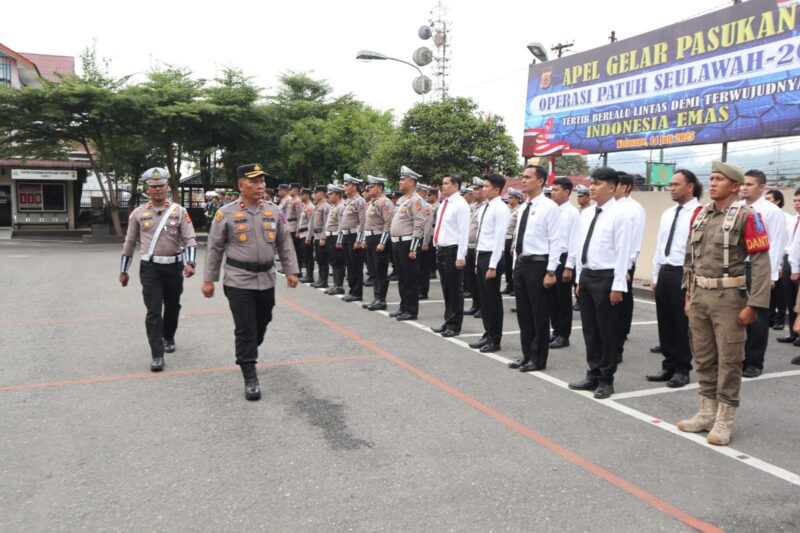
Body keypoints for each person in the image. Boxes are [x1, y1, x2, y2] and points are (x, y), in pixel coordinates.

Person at [678, 161, 771, 445]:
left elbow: (761, 262)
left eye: (720, 179)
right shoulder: (701, 214)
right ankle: (706, 412)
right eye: (712, 178)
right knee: (703, 356)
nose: (713, 183)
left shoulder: (748, 216)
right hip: (700, 295)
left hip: (729, 298)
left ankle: (724, 419)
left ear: (735, 186)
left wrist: (755, 305)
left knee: (730, 360)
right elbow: (690, 258)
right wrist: (688, 294)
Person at [202, 163, 299, 401]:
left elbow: (284, 243)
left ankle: (248, 350)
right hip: (238, 279)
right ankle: (250, 374)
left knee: (263, 322)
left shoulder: (273, 211)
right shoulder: (226, 213)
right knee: (245, 327)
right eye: (254, 181)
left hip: (266, 278)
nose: (260, 186)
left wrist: (291, 270)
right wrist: (209, 279)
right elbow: (214, 248)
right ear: (240, 185)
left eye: (262, 181)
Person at [120, 167, 197, 372]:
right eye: (153, 186)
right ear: (147, 188)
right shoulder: (138, 213)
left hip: (174, 266)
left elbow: (190, 238)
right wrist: (124, 271)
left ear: (167, 187)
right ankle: (157, 355)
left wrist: (190, 263)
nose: (157, 189)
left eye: (161, 185)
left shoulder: (179, 211)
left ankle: (169, 336)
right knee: (153, 311)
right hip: (150, 268)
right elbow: (129, 242)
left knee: (173, 306)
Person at [569, 167, 632, 399]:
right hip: (587, 276)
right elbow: (579, 247)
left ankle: (606, 379)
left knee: (607, 331)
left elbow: (623, 252)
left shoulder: (620, 214)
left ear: (612, 187)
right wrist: (579, 279)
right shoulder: (586, 214)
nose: (592, 187)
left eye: (598, 183)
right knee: (590, 330)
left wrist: (618, 285)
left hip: (607, 278)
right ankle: (593, 373)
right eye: (592, 183)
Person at [648, 169, 702, 388]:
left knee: (682, 324)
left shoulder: (700, 213)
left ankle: (682, 369)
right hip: (666, 271)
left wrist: (693, 281)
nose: (671, 188)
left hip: (684, 272)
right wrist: (655, 274)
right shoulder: (668, 213)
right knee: (666, 321)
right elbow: (661, 245)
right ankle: (668, 365)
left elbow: (699, 251)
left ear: (690, 186)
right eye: (670, 185)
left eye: (676, 185)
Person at [507, 165, 561, 370]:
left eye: (528, 177)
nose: (523, 180)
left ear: (540, 181)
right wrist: (515, 266)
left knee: (539, 314)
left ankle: (538, 359)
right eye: (522, 176)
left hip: (539, 265)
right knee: (524, 313)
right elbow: (518, 240)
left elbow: (555, 240)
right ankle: (527, 354)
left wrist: (551, 271)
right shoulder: (523, 207)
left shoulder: (549, 207)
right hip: (522, 264)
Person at [739, 169, 787, 378]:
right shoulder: (737, 207)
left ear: (762, 187)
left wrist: (771, 276)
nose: (744, 188)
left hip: (758, 268)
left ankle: (754, 362)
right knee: (736, 314)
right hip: (737, 267)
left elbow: (776, 244)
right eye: (743, 184)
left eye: (749, 184)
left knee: (757, 317)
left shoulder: (771, 211)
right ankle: (739, 358)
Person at [468, 174, 511, 353]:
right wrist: (477, 260)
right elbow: (481, 236)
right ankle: (487, 334)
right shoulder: (485, 207)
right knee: (484, 299)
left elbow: (499, 239)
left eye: (486, 186)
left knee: (492, 300)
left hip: (492, 256)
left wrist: (493, 265)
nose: (483, 189)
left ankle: (495, 339)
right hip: (482, 255)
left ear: (497, 189)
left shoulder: (501, 208)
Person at [430, 174, 470, 337]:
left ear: (456, 186)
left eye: (446, 183)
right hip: (442, 249)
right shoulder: (445, 203)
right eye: (443, 183)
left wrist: (461, 256)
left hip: (453, 250)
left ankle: (454, 325)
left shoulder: (460, 204)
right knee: (446, 288)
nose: (443, 186)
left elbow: (463, 232)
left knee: (454, 289)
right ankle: (448, 321)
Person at [614, 172, 646, 362]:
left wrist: (626, 267)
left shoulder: (634, 208)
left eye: (615, 185)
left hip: (625, 262)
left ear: (626, 187)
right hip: (610, 263)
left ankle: (621, 333)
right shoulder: (611, 207)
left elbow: (634, 239)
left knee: (622, 299)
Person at [389, 166, 427, 321]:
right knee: (402, 278)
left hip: (407, 243)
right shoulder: (401, 200)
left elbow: (419, 224)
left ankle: (411, 310)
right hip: (397, 243)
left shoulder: (416, 201)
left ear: (411, 181)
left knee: (410, 278)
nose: (400, 182)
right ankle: (403, 307)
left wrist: (413, 248)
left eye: (403, 179)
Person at [548, 177, 580, 349]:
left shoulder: (572, 213)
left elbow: (574, 241)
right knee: (552, 299)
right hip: (551, 258)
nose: (552, 193)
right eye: (552, 189)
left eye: (556, 190)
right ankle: (555, 330)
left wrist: (569, 266)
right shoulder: (551, 210)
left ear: (567, 192)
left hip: (564, 258)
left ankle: (563, 334)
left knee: (563, 300)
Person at [362, 176, 394, 311]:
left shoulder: (385, 202)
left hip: (379, 238)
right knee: (373, 271)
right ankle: (376, 298)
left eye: (372, 186)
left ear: (380, 187)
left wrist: (382, 242)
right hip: (370, 238)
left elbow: (388, 224)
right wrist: (364, 238)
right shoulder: (372, 202)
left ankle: (381, 300)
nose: (369, 189)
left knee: (381, 270)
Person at [337, 174, 367, 302]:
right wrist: (340, 238)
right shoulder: (347, 202)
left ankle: (357, 293)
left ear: (354, 186)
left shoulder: (359, 201)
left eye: (347, 185)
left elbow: (363, 221)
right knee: (349, 265)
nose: (344, 187)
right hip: (346, 235)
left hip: (354, 236)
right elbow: (342, 222)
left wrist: (359, 240)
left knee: (355, 266)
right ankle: (352, 290)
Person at [765, 189, 790, 331]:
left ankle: (780, 320)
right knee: (770, 294)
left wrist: (780, 263)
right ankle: (770, 318)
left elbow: (783, 242)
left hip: (781, 259)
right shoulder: (765, 215)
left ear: (777, 201)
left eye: (769, 199)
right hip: (767, 258)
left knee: (780, 293)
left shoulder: (786, 217)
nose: (766, 201)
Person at [779, 188, 800, 347]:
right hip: (788, 260)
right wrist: (782, 263)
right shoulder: (793, 220)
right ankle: (793, 333)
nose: (797, 204)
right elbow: (786, 243)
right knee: (790, 299)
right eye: (795, 201)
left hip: (798, 263)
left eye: (799, 201)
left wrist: (796, 268)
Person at [464, 179, 485, 316]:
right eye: (474, 189)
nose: (474, 192)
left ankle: (483, 307)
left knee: (480, 281)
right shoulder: (472, 206)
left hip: (479, 247)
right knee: (471, 279)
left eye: (477, 189)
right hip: (470, 246)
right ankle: (475, 304)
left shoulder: (486, 207)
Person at [323, 185, 346, 295]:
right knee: (333, 261)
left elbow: (341, 225)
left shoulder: (341, 207)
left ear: (337, 195)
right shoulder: (334, 206)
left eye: (331, 194)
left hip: (336, 236)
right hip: (330, 236)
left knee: (338, 262)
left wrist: (339, 240)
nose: (329, 196)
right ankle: (336, 285)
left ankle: (339, 286)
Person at [308, 185, 331, 289]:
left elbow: (326, 223)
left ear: (322, 193)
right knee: (319, 259)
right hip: (317, 235)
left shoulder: (325, 206)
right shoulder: (317, 206)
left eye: (316, 193)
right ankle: (320, 279)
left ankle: (324, 280)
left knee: (323, 259)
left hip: (322, 235)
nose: (314, 195)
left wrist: (323, 237)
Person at [503, 188, 523, 295]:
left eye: (511, 198)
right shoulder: (507, 209)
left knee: (513, 264)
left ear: (518, 199)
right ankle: (509, 284)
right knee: (507, 264)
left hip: (512, 238)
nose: (509, 200)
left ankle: (515, 286)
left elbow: (517, 228)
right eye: (509, 197)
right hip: (505, 238)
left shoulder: (520, 210)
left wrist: (514, 244)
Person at [417, 183, 434, 300]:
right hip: (416, 238)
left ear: (422, 193)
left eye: (418, 191)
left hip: (423, 238)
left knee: (423, 267)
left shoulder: (426, 206)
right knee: (416, 267)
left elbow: (428, 226)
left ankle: (423, 291)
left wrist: (425, 242)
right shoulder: (416, 204)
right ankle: (418, 289)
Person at [297, 188, 315, 284]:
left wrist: (308, 237)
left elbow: (310, 223)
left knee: (308, 256)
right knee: (305, 255)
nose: (300, 196)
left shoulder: (310, 207)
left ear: (307, 195)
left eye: (301, 194)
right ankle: (307, 275)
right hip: (302, 234)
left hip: (306, 234)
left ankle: (310, 276)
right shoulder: (305, 206)